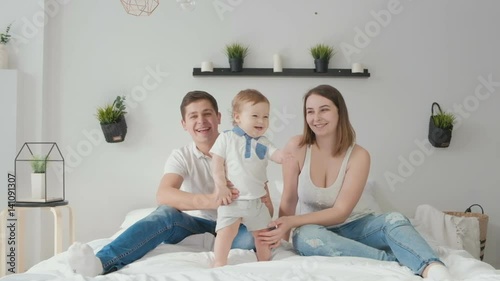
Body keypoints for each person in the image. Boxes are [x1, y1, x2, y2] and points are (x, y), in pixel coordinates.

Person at [67, 90, 273, 276]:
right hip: (197, 225)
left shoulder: (249, 148)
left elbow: (267, 208)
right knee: (165, 213)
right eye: (193, 116)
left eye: (207, 113)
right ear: (184, 124)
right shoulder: (181, 156)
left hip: (238, 227)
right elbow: (164, 195)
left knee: (252, 238)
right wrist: (213, 200)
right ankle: (101, 263)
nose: (201, 121)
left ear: (218, 118)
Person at [259, 85, 453, 280]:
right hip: (317, 230)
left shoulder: (359, 155)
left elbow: (341, 212)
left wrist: (292, 221)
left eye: (324, 109)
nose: (316, 118)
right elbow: (289, 198)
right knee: (305, 237)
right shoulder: (297, 146)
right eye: (310, 112)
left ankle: (432, 267)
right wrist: (282, 242)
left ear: (339, 112)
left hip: (358, 226)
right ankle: (390, 260)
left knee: (395, 219)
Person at [210, 89, 282, 267]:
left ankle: (264, 263)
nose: (261, 121)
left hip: (257, 202)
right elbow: (217, 165)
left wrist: (289, 155)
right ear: (237, 117)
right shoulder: (226, 138)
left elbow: (278, 156)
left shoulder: (264, 142)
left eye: (266, 116)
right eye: (255, 115)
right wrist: (221, 186)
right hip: (232, 200)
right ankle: (219, 263)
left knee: (263, 235)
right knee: (225, 233)